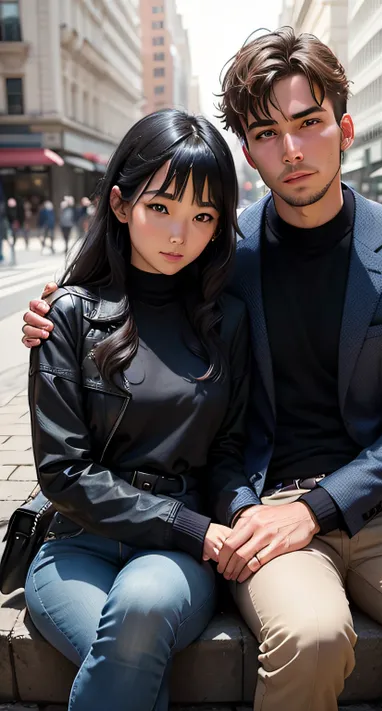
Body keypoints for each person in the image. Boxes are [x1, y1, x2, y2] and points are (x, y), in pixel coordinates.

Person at [21, 28, 382, 711]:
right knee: (314, 637)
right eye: (267, 132)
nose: (291, 150)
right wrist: (58, 309)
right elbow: (138, 280)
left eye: (309, 123)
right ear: (247, 151)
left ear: (345, 127)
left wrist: (320, 508)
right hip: (259, 505)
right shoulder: (222, 250)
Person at [17, 108, 255, 711]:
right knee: (131, 654)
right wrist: (192, 527)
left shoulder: (228, 323)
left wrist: (228, 525)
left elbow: (229, 449)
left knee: (142, 611)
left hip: (173, 558)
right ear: (121, 205)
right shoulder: (67, 316)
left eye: (203, 217)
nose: (180, 235)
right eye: (161, 208)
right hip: (77, 544)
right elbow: (62, 472)